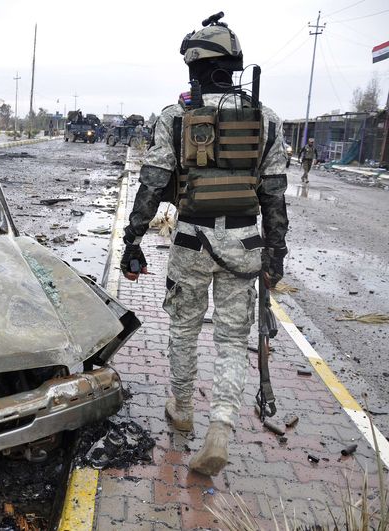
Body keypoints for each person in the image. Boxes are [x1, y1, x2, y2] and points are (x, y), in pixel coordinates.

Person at [120, 13, 288, 476]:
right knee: (233, 339)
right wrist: (275, 255)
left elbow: (152, 186)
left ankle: (182, 408)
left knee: (184, 330)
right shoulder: (267, 120)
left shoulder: (175, 118)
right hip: (245, 242)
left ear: (193, 65)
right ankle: (221, 426)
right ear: (233, 66)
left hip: (192, 241)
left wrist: (132, 240)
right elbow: (274, 196)